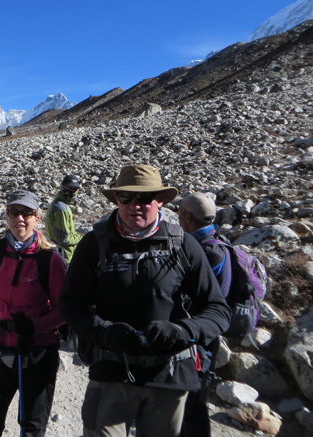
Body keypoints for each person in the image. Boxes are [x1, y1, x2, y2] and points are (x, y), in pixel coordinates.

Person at [59, 165, 230, 437]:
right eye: (126, 196)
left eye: (145, 198)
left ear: (160, 200)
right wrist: (102, 331)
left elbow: (218, 310)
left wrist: (184, 331)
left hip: (169, 376)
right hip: (111, 372)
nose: (134, 205)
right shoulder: (94, 244)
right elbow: (70, 304)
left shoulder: (183, 244)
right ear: (117, 199)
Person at [0, 190, 67, 437]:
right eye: (14, 212)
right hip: (1, 343)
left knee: (32, 427)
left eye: (27, 213)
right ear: (7, 217)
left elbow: (65, 310)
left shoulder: (49, 259)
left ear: (37, 218)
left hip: (38, 350)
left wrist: (35, 327)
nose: (20, 219)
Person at [178, 192, 231, 437]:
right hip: (206, 332)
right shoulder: (216, 243)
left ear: (188, 217)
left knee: (192, 403)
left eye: (180, 213)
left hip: (198, 337)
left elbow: (191, 297)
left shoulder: (204, 251)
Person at [45, 174, 83, 263]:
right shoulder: (61, 209)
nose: (73, 192)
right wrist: (81, 238)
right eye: (71, 188)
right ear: (63, 188)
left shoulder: (59, 204)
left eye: (76, 190)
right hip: (64, 257)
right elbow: (64, 239)